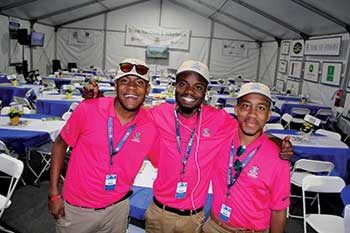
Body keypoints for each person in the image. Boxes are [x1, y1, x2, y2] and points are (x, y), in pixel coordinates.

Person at [83, 60, 293, 233]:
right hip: (158, 213)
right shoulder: (159, 114)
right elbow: (128, 109)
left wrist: (277, 144)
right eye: (183, 84)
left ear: (205, 92)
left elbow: (251, 125)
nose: (190, 91)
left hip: (194, 219)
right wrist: (99, 98)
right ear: (175, 86)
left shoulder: (219, 120)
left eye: (198, 87)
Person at [48, 58, 159, 233]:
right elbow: (60, 144)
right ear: (115, 86)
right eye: (125, 81)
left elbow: (162, 161)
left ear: (147, 91)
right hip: (77, 211)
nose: (131, 88)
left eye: (139, 83)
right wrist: (53, 193)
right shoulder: (88, 109)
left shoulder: (151, 125)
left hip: (118, 210)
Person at [202, 82, 290, 233]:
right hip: (213, 226)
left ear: (269, 115)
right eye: (246, 106)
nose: (252, 114)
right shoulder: (219, 139)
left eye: (260, 108)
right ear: (236, 109)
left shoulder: (278, 158)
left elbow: (278, 211)